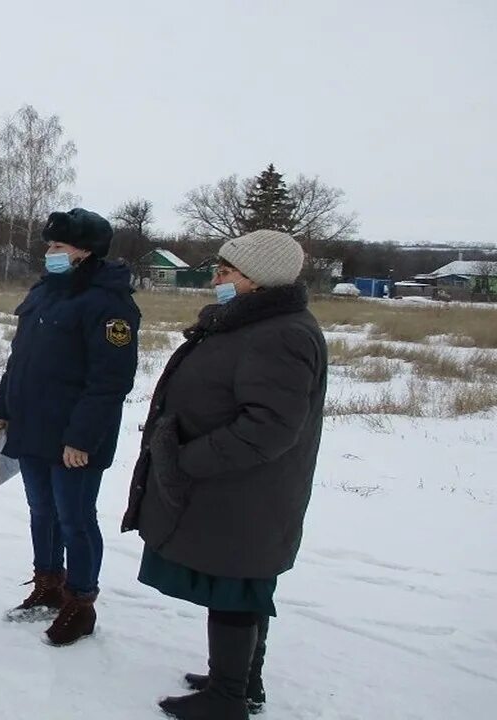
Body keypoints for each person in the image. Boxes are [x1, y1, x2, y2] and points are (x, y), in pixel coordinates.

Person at [121, 230, 328, 719]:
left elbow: (269, 428)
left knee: (237, 588)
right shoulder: (253, 324)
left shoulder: (283, 335)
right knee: (241, 584)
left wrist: (185, 460)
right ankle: (239, 682)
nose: (216, 278)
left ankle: (227, 699)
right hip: (236, 487)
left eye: (227, 271)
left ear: (259, 280)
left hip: (246, 491)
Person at [0, 208, 140, 646]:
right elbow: (20, 358)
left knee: (75, 519)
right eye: (48, 245)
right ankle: (49, 586)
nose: (49, 253)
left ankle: (81, 603)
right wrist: (5, 407)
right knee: (42, 513)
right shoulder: (45, 292)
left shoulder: (110, 304)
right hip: (32, 426)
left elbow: (110, 381)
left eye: (59, 246)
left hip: (74, 437)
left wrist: (81, 437)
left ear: (86, 251)